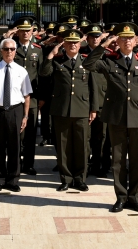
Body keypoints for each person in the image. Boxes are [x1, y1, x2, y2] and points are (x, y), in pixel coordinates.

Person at [82, 22, 138, 213]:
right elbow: (87, 64)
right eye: (123, 38)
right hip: (116, 117)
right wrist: (104, 44)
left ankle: (135, 197)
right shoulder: (109, 60)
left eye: (130, 38)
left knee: (137, 159)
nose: (127, 41)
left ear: (136, 40)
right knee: (118, 160)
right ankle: (121, 197)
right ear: (118, 41)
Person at [40, 29, 94, 192]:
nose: (72, 45)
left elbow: (93, 86)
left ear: (80, 44)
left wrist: (93, 108)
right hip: (61, 109)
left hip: (82, 109)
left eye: (75, 42)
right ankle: (66, 179)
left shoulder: (86, 61)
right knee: (63, 147)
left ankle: (80, 179)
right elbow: (44, 73)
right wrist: (51, 54)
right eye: (69, 42)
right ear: (64, 45)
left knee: (82, 146)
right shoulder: (57, 61)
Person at [0, 38, 33, 193]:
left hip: (15, 111)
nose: (8, 52)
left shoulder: (21, 71)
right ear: (1, 51)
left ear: (15, 51)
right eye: (6, 49)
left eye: (11, 49)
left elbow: (27, 96)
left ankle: (13, 180)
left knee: (15, 147)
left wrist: (25, 116)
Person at [83, 24, 111, 178]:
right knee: (86, 138)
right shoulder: (81, 53)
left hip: (102, 101)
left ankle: (101, 165)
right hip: (84, 101)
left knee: (102, 137)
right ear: (86, 38)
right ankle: (85, 166)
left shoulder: (108, 55)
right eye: (92, 36)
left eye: (97, 36)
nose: (95, 38)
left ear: (102, 37)